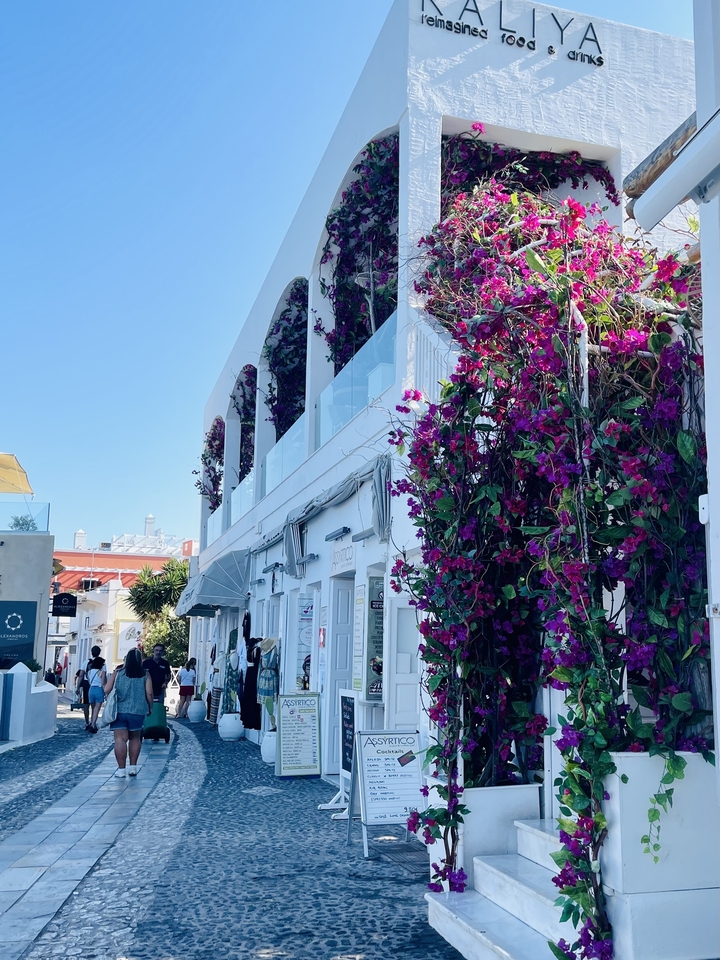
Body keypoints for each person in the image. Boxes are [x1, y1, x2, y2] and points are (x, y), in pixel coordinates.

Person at [104, 647, 154, 778]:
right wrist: (151, 707)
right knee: (135, 738)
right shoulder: (145, 674)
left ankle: (121, 770)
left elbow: (107, 689)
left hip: (119, 711)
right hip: (138, 711)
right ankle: (133, 767)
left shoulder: (118, 673)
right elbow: (149, 693)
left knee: (120, 739)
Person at [86, 648, 107, 733]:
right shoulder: (102, 672)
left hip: (91, 690)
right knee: (97, 709)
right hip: (99, 690)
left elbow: (89, 681)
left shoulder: (90, 672)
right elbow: (103, 683)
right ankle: (93, 724)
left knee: (92, 708)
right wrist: (106, 692)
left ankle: (91, 722)